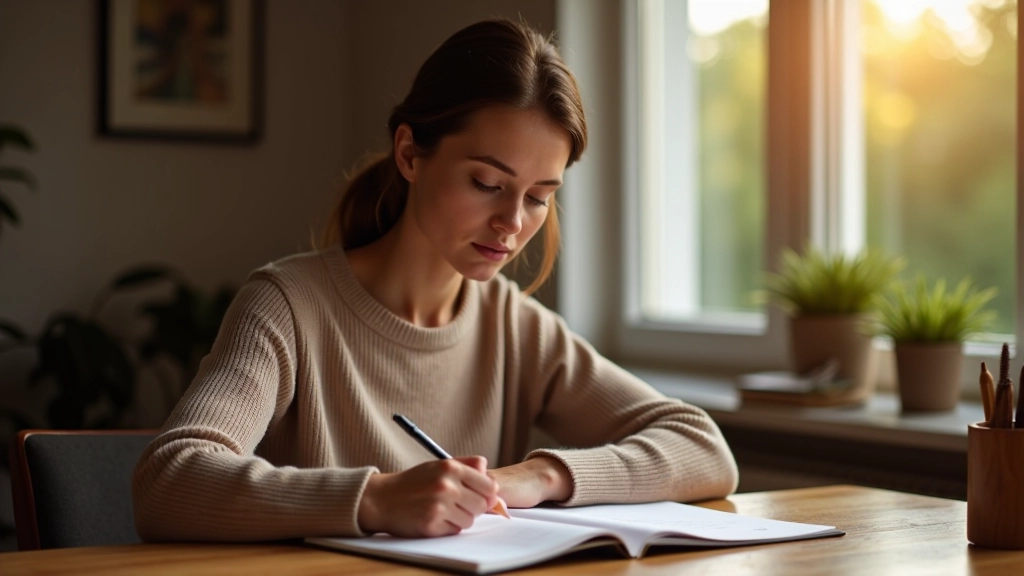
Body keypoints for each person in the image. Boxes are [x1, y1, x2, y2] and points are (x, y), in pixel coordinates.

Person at [132, 18, 738, 542]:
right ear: (409, 154)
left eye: (539, 197)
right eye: (486, 183)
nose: (511, 222)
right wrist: (374, 500)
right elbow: (168, 480)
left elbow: (704, 449)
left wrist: (538, 477)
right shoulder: (288, 306)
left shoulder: (514, 325)